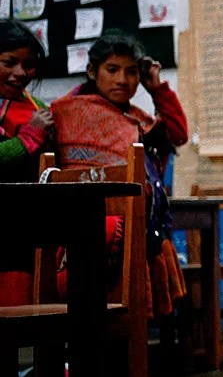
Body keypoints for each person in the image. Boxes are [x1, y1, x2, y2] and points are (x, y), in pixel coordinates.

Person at [51, 30, 188, 318]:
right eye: (112, 70)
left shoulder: (137, 119)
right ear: (92, 71)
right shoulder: (68, 112)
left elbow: (178, 133)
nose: (122, 80)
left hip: (137, 225)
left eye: (132, 72)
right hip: (88, 229)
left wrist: (157, 89)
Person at [0, 20, 54, 304]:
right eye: (9, 62)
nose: (20, 73)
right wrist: (28, 139)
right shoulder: (36, 120)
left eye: (29, 64)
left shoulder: (39, 109)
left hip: (28, 229)